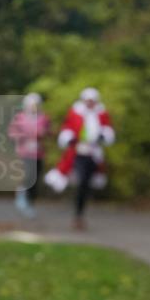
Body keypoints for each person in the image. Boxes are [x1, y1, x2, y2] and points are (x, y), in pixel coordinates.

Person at [44, 87, 115, 230]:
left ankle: (80, 213)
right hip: (78, 153)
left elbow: (107, 130)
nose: (89, 103)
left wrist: (102, 136)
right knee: (81, 181)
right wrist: (70, 139)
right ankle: (77, 214)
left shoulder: (101, 114)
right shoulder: (75, 113)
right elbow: (68, 128)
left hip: (93, 155)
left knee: (86, 185)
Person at [7, 92, 51, 218]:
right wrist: (24, 136)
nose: (33, 107)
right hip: (25, 152)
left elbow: (48, 132)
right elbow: (12, 133)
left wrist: (43, 134)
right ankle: (21, 196)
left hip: (38, 152)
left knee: (36, 179)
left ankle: (30, 203)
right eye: (31, 105)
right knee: (28, 175)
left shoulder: (44, 118)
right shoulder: (20, 118)